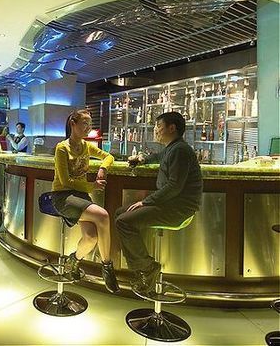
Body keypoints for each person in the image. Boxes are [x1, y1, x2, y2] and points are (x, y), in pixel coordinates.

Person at [115, 111, 202, 294]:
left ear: (172, 128)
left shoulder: (180, 150)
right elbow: (158, 157)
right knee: (120, 214)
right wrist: (142, 159)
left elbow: (174, 186)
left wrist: (145, 202)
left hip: (178, 209)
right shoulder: (173, 148)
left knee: (123, 221)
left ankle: (147, 268)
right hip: (169, 204)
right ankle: (141, 269)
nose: (155, 130)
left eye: (159, 126)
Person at [51, 109, 119, 294]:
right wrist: (92, 186)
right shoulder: (62, 148)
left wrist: (103, 168)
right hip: (63, 196)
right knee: (103, 216)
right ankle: (107, 267)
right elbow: (65, 181)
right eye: (84, 124)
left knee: (91, 238)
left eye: (90, 124)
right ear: (73, 124)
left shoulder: (87, 146)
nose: (88, 128)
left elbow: (109, 157)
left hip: (80, 196)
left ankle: (73, 260)